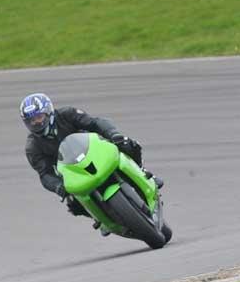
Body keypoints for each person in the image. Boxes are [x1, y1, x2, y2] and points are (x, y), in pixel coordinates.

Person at [20, 93, 163, 232]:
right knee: (73, 204)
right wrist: (58, 186)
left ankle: (143, 171)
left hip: (94, 150)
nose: (36, 123)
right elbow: (44, 174)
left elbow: (95, 123)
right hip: (72, 170)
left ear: (49, 112)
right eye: (31, 121)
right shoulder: (32, 147)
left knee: (126, 144)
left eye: (39, 117)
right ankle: (98, 218)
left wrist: (113, 134)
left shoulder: (67, 114)